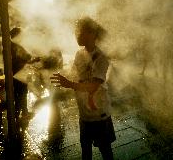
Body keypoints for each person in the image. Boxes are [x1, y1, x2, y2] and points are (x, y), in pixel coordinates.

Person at [50, 17, 116, 160]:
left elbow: (93, 86)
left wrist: (69, 84)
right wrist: (55, 73)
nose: (76, 35)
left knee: (105, 150)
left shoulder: (101, 57)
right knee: (85, 150)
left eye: (80, 31)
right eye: (76, 31)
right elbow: (74, 75)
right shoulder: (79, 54)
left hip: (100, 114)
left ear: (92, 33)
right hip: (84, 113)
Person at [10, 27, 40, 121]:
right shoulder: (15, 46)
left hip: (16, 73)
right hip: (18, 74)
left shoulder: (11, 45)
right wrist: (34, 60)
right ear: (17, 35)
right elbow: (22, 60)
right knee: (21, 94)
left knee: (19, 94)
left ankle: (22, 112)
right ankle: (18, 114)